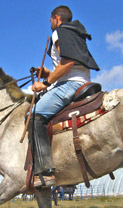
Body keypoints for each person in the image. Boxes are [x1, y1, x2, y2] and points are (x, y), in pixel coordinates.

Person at [31, 5, 99, 187]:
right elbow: (68, 64)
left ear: (56, 18)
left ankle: (45, 171)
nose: (50, 24)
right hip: (80, 80)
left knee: (35, 115)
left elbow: (68, 62)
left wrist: (44, 83)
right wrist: (47, 73)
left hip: (70, 84)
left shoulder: (59, 32)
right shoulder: (75, 32)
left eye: (51, 21)